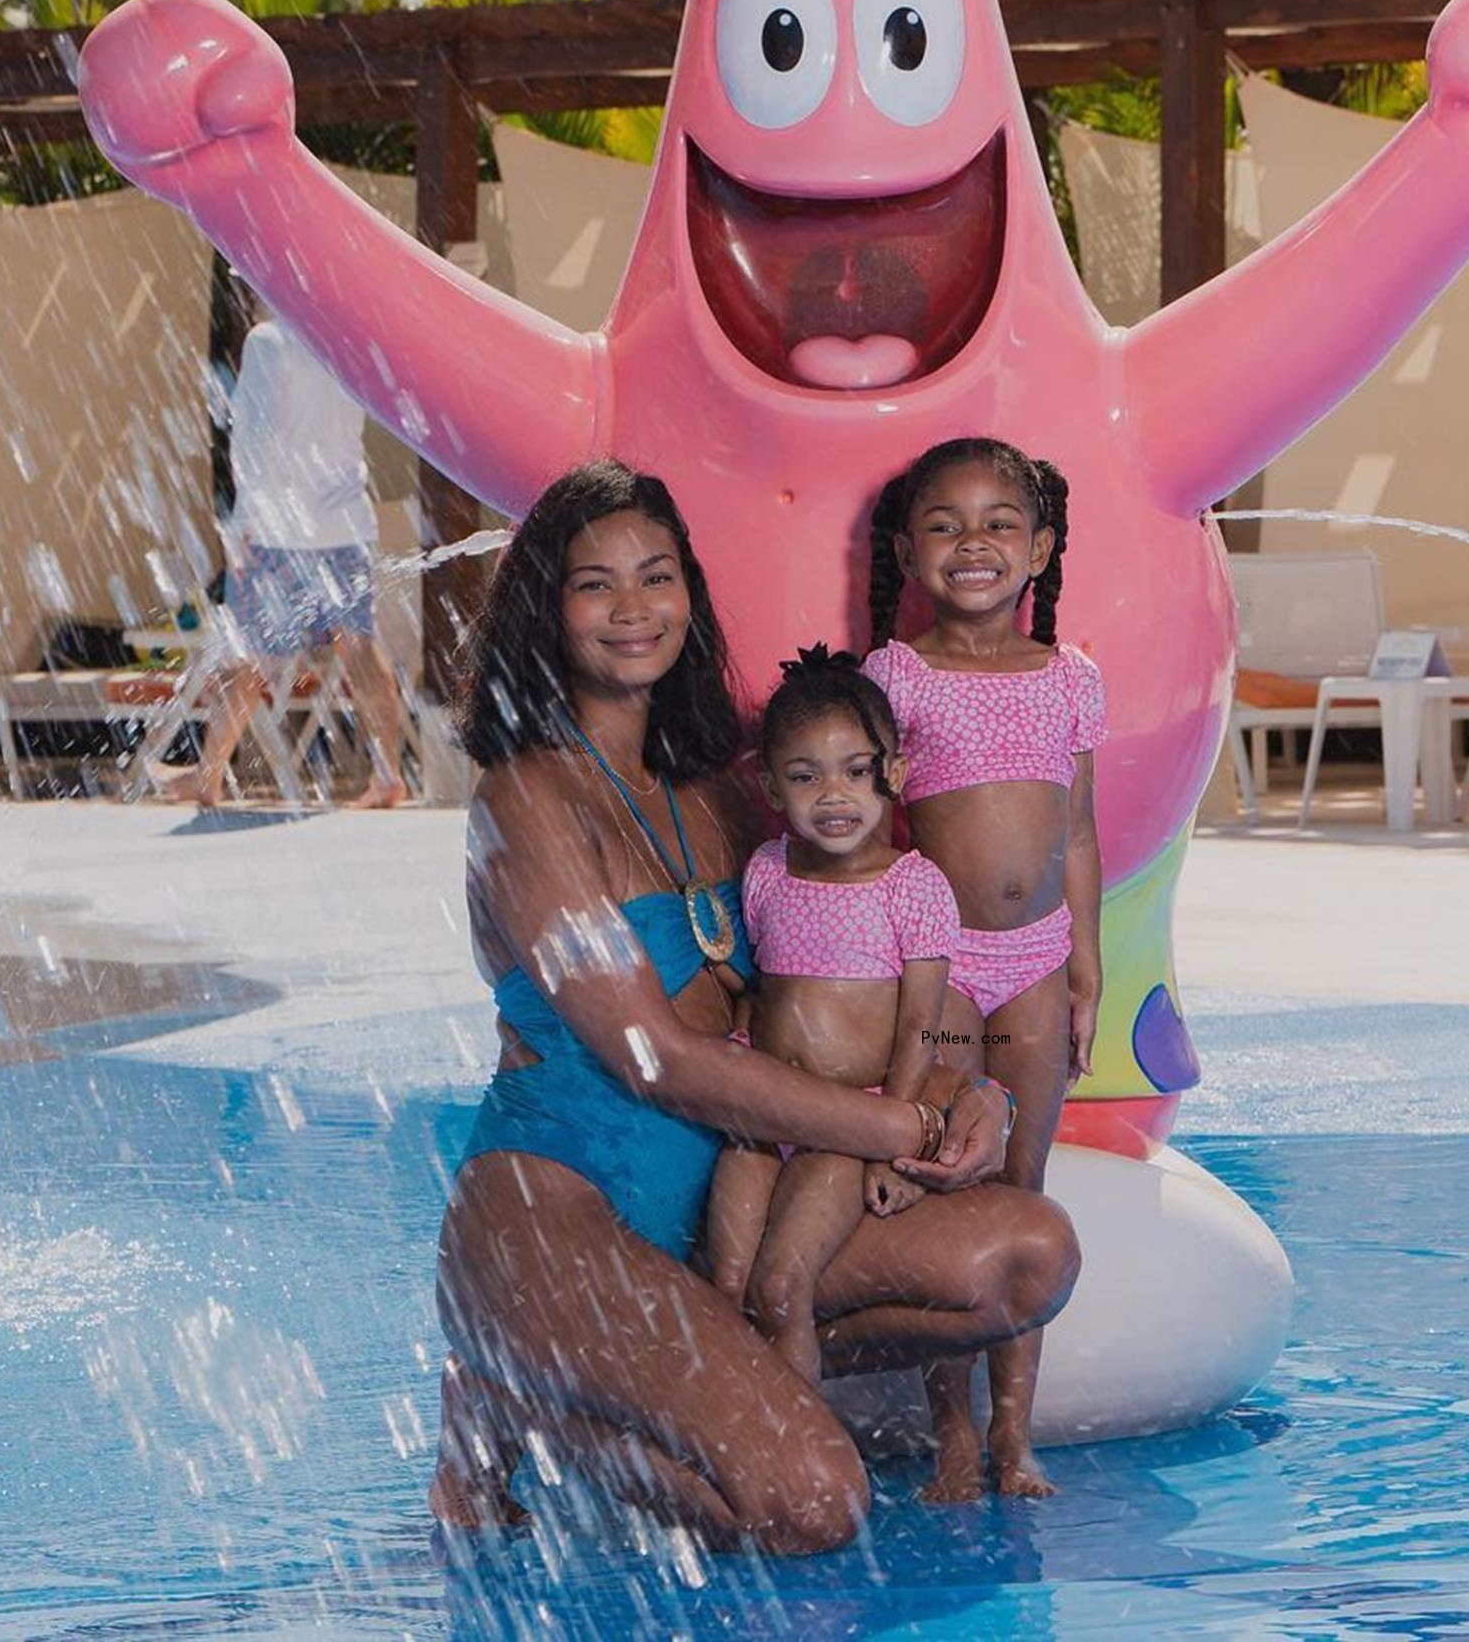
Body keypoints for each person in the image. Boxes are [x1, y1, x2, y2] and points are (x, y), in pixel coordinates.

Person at [429, 460, 1079, 1554]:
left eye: (657, 576)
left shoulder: (728, 793)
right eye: (596, 586)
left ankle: (686, 1359)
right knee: (811, 1504)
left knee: (1029, 1253)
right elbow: (657, 1061)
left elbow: (853, 969)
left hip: (723, 1213)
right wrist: (900, 1129)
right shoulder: (526, 798)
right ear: (548, 608)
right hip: (561, 1213)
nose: (634, 610)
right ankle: (519, 1400)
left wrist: (973, 1096)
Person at [864, 436, 1104, 1503]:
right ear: (910, 555)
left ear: (1042, 548)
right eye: (946, 524)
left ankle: (1016, 1440)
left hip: (1039, 960)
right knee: (945, 1185)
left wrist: (1086, 962)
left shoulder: (1072, 675)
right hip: (949, 963)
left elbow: (1083, 833)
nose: (976, 543)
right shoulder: (897, 674)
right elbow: (855, 820)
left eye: (1001, 522)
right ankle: (951, 1432)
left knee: (1023, 1187)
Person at [706, 645, 961, 1394]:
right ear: (770, 785)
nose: (834, 794)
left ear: (897, 774)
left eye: (856, 770)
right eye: (804, 776)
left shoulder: (912, 889)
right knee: (725, 1282)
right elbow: (762, 988)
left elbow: (921, 1027)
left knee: (781, 1288)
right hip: (763, 1115)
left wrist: (892, 1145)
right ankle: (747, 1445)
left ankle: (809, 1463)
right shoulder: (767, 870)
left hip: (850, 1125)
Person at [148, 306, 409, 809]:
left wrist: (243, 525)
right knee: (359, 647)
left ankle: (209, 775)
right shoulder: (347, 338)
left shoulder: (267, 341)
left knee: (245, 656)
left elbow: (254, 442)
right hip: (344, 523)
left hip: (280, 526)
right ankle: (388, 773)